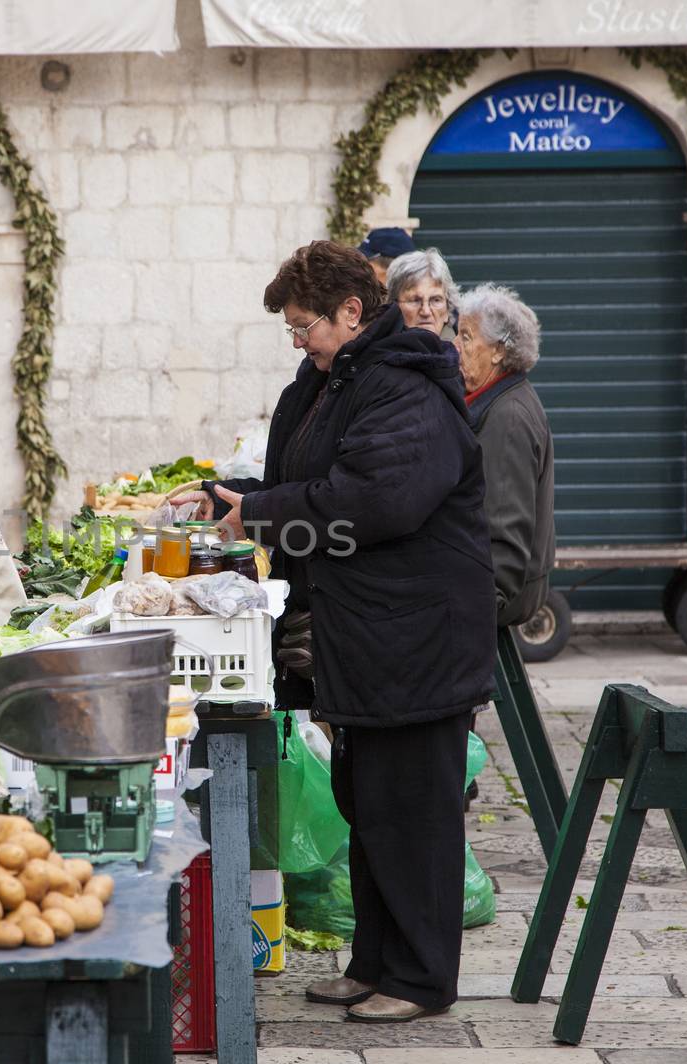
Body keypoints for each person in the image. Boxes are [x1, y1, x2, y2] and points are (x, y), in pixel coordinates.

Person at [174, 241, 494, 1022]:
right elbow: (306, 476)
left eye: (304, 324)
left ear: (353, 312)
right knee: (369, 798)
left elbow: (375, 500)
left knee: (412, 806)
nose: (298, 339)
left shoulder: (403, 387)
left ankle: (420, 978)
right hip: (365, 630)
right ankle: (375, 961)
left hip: (414, 632)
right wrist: (236, 495)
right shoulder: (331, 378)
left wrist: (263, 512)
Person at [455, 283, 555, 627]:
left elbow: (504, 527)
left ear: (497, 351)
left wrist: (482, 606)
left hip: (499, 595)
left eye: (465, 337)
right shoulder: (495, 400)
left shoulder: (507, 417)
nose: (455, 346)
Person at [384, 247, 458, 340]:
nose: (426, 312)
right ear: (393, 306)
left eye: (436, 300)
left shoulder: (465, 352)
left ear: (448, 310)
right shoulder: (374, 352)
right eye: (415, 301)